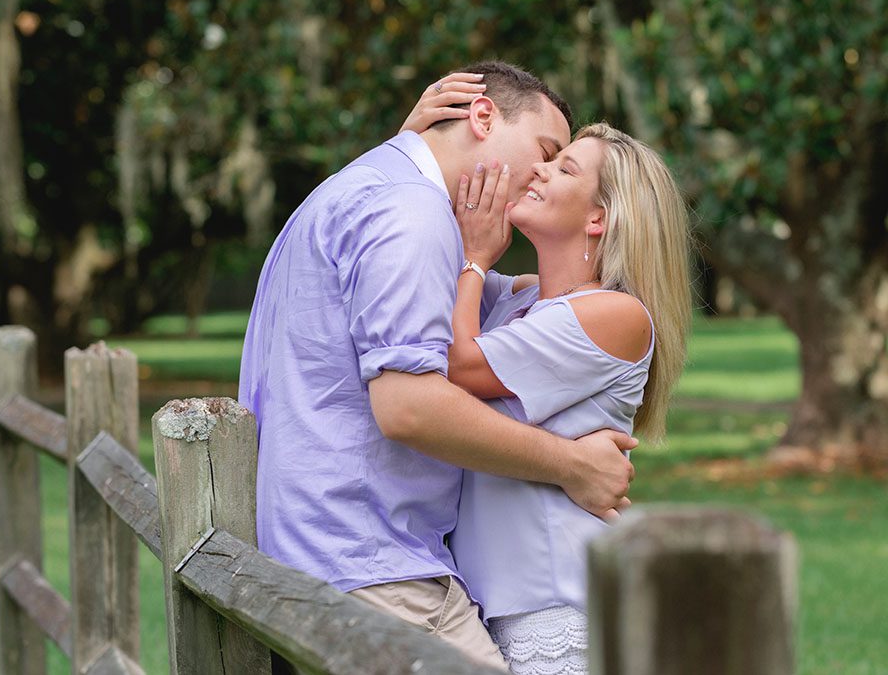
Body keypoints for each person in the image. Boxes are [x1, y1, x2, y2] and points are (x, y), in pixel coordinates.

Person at [238, 62, 637, 668]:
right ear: (482, 117)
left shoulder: (356, 191)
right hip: (375, 562)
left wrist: (417, 158)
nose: (541, 174)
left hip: (325, 554)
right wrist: (572, 464)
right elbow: (409, 405)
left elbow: (516, 305)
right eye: (545, 150)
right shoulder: (408, 213)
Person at [424, 118, 693, 672]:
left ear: (599, 218)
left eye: (565, 166)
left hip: (557, 613)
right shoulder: (517, 302)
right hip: (495, 605)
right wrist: (417, 136)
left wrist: (477, 259)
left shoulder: (615, 315)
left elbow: (456, 362)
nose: (540, 168)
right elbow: (427, 234)